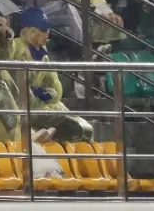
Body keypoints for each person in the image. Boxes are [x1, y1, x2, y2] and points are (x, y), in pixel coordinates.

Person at [9, 8, 94, 142]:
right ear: (30, 31)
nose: (47, 34)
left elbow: (56, 88)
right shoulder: (14, 48)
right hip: (22, 108)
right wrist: (36, 96)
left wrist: (48, 94)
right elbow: (16, 86)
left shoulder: (43, 56)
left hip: (43, 106)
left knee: (85, 129)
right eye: (43, 30)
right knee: (75, 128)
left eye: (47, 29)